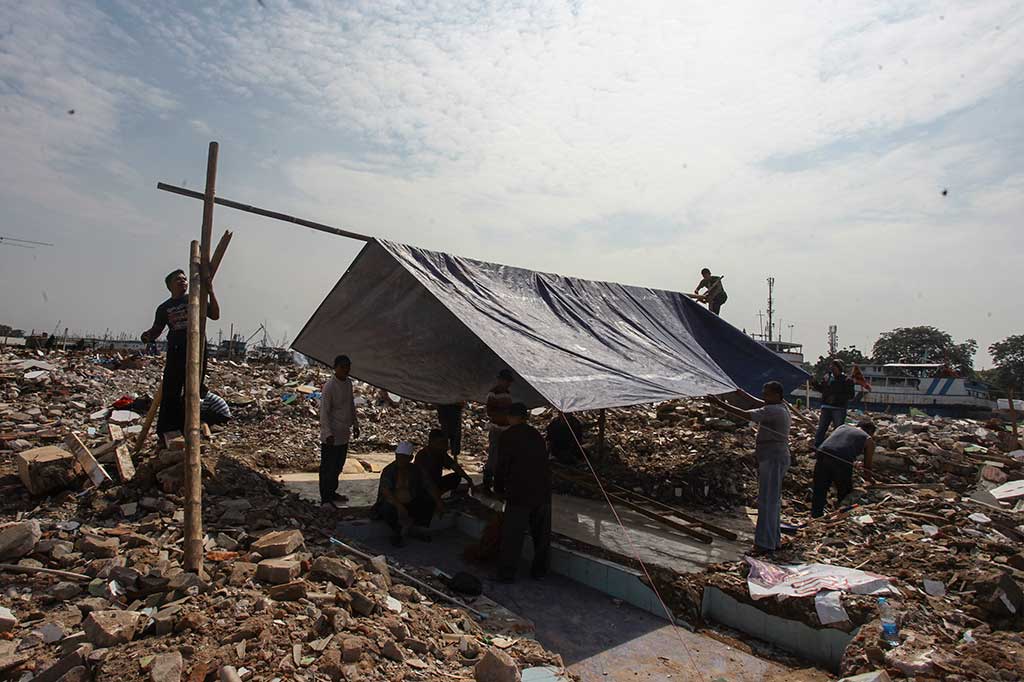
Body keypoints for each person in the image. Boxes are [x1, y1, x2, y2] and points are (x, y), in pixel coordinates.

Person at [708, 382, 791, 554]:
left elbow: (746, 415)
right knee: (772, 501)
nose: (764, 396)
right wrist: (741, 393)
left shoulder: (774, 411)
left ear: (776, 395)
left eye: (767, 394)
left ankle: (764, 544)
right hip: (775, 456)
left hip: (773, 456)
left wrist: (719, 404)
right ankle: (772, 541)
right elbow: (758, 403)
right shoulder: (780, 406)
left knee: (767, 501)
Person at [141, 269, 220, 441]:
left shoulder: (195, 299)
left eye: (185, 279)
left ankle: (189, 428)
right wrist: (147, 336)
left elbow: (215, 315)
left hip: (197, 347)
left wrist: (211, 291)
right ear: (169, 285)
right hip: (176, 348)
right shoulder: (164, 308)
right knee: (171, 389)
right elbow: (157, 329)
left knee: (193, 389)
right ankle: (168, 431)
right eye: (178, 279)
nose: (183, 281)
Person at [495, 402, 552, 582]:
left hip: (520, 492)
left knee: (513, 534)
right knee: (541, 535)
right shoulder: (536, 435)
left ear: (511, 416)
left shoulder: (508, 436)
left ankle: (506, 574)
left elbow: (502, 465)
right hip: (542, 491)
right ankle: (540, 571)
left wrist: (498, 488)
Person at [373, 441, 443, 546]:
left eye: (403, 457)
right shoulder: (389, 470)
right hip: (393, 504)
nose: (400, 460)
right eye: (398, 457)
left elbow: (428, 485)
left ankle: (418, 529)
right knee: (386, 509)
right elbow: (386, 491)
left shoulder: (416, 469)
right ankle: (397, 532)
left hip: (410, 502)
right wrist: (399, 506)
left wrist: (439, 502)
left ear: (410, 458)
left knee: (428, 500)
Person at [319, 354, 360, 507]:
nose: (346, 370)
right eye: (343, 367)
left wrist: (355, 424)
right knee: (327, 468)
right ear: (335, 367)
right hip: (331, 434)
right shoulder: (330, 386)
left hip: (344, 433)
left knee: (337, 466)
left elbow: (351, 405)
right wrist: (327, 433)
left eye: (348, 367)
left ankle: (332, 492)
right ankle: (325, 498)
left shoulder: (348, 383)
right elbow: (324, 412)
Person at [812, 420, 876, 518]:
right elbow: (867, 466)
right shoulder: (868, 439)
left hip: (822, 454)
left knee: (820, 488)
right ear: (871, 431)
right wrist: (869, 479)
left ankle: (816, 516)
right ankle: (841, 516)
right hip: (841, 460)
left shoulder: (842, 427)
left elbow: (838, 443)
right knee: (844, 491)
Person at [415, 428, 475, 496]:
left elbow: (456, 467)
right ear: (432, 442)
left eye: (445, 443)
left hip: (436, 483)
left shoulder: (441, 454)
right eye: (441, 443)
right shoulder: (422, 456)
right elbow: (424, 479)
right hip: (423, 487)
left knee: (456, 477)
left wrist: (469, 480)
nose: (445, 447)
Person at [483, 369, 515, 492]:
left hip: (506, 428)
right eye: (506, 381)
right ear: (500, 381)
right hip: (497, 428)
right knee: (493, 457)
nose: (508, 384)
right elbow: (490, 412)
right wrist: (504, 414)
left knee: (502, 457)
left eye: (508, 382)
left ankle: (498, 484)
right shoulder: (493, 393)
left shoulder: (507, 393)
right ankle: (487, 482)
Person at [812, 360, 856, 447]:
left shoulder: (846, 380)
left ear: (839, 368)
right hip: (826, 406)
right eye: (831, 367)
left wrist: (836, 398)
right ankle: (817, 446)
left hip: (838, 408)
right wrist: (814, 383)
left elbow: (850, 395)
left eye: (834, 367)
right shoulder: (827, 378)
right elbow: (822, 389)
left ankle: (837, 447)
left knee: (838, 429)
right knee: (821, 428)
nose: (832, 369)